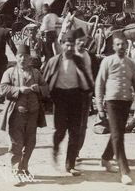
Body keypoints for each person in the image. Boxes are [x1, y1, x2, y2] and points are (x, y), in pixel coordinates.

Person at [95, 34, 135, 186]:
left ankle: (105, 159)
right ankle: (125, 172)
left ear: (126, 45)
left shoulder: (131, 63)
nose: (121, 47)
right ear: (113, 46)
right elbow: (99, 84)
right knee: (118, 136)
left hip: (126, 103)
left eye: (123, 44)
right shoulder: (107, 61)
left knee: (118, 133)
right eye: (118, 44)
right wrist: (99, 107)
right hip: (112, 102)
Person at [42, 31, 93, 176]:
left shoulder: (78, 60)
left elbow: (87, 79)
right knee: (60, 130)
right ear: (62, 45)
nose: (70, 48)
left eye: (72, 45)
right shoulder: (54, 61)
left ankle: (70, 165)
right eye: (67, 45)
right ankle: (56, 148)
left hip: (76, 98)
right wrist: (45, 98)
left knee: (75, 132)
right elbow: (45, 80)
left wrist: (88, 92)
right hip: (60, 99)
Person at [0, 44, 48, 186]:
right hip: (16, 114)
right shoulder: (10, 72)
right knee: (16, 143)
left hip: (33, 113)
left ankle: (24, 167)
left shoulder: (37, 73)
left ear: (30, 59)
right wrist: (18, 89)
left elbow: (46, 89)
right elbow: (2, 89)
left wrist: (39, 88)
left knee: (30, 143)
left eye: (26, 57)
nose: (23, 59)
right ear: (16, 57)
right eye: (20, 56)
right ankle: (15, 171)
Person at [74, 30, 94, 159]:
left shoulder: (88, 55)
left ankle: (76, 151)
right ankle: (72, 151)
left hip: (85, 95)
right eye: (79, 41)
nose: (81, 43)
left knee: (83, 125)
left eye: (83, 40)